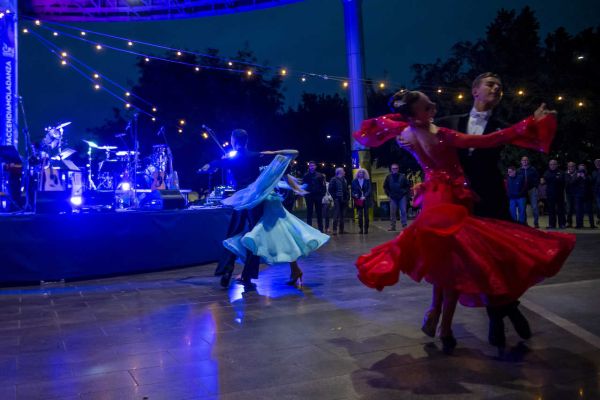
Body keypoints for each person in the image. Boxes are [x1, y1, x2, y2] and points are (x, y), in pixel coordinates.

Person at [353, 90, 575, 353]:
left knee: (445, 262)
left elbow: (389, 128)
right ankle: (444, 325)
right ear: (417, 114)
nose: (435, 108)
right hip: (451, 199)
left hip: (433, 197)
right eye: (428, 107)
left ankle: (438, 316)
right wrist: (529, 123)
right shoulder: (441, 134)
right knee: (455, 264)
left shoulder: (405, 133)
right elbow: (490, 140)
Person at [435, 72, 529, 349]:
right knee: (477, 263)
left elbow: (528, 134)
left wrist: (536, 122)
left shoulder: (501, 127)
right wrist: (405, 139)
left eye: (500, 86)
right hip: (461, 203)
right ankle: (503, 312)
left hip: (493, 200)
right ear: (475, 91)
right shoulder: (451, 122)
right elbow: (421, 129)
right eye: (491, 84)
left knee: (499, 260)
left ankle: (501, 313)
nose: (497, 88)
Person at [222, 151, 330, 289]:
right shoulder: (260, 161)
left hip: (268, 202)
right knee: (282, 235)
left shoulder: (276, 161)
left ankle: (248, 273)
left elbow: (294, 152)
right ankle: (294, 270)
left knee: (265, 236)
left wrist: (274, 152)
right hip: (264, 201)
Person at [200, 129, 271, 289]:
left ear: (233, 141)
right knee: (254, 234)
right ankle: (248, 275)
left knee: (233, 232)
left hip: (240, 197)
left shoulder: (232, 158)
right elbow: (270, 158)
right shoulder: (254, 155)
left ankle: (226, 270)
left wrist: (209, 165)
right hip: (254, 198)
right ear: (246, 140)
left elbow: (216, 164)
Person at [383, 164, 410, 230]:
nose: (394, 169)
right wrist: (389, 194)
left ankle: (404, 225)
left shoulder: (402, 176)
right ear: (391, 169)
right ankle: (393, 226)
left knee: (403, 211)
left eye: (396, 168)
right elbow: (385, 186)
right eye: (393, 168)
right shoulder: (388, 177)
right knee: (392, 212)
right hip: (393, 197)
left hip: (402, 196)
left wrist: (404, 192)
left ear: (398, 169)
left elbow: (407, 186)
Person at [303, 161, 326, 232]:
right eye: (310, 166)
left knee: (319, 212)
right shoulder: (306, 175)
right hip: (309, 196)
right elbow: (304, 185)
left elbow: (323, 186)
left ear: (315, 166)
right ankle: (309, 230)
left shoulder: (320, 175)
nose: (312, 167)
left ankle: (321, 229)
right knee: (309, 212)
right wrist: (305, 194)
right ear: (309, 167)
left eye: (313, 165)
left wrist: (322, 195)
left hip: (318, 196)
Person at [543, 159, 566, 229]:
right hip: (550, 194)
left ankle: (562, 224)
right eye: (551, 164)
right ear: (549, 165)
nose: (552, 166)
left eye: (554, 164)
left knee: (561, 210)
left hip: (559, 194)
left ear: (557, 165)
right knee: (551, 210)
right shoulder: (546, 172)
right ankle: (551, 224)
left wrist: (553, 178)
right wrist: (556, 178)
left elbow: (562, 181)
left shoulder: (561, 172)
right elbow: (546, 179)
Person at [518, 156, 540, 228]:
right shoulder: (519, 170)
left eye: (526, 160)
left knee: (534, 207)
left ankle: (536, 223)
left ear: (528, 161)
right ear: (521, 162)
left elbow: (537, 178)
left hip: (532, 189)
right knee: (523, 207)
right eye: (523, 160)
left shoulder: (533, 169)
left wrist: (535, 186)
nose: (525, 161)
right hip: (523, 191)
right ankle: (524, 223)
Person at [329, 167, 350, 235]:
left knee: (342, 215)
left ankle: (341, 230)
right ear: (340, 172)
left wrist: (347, 198)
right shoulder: (333, 179)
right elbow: (330, 189)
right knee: (336, 214)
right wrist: (335, 197)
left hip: (344, 200)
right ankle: (334, 230)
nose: (344, 172)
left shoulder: (344, 180)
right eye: (343, 171)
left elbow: (346, 190)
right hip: (337, 199)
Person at [351, 168, 372, 234]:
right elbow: (352, 191)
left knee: (366, 215)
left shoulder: (367, 181)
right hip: (358, 200)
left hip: (366, 200)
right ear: (357, 174)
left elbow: (369, 190)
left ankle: (366, 229)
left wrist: (365, 196)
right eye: (360, 172)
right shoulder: (354, 181)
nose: (361, 173)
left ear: (364, 174)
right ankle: (361, 228)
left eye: (362, 172)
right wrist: (355, 195)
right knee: (360, 215)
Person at [565, 161, 578, 228]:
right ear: (567, 167)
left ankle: (579, 224)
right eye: (569, 166)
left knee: (577, 208)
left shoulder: (578, 173)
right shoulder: (565, 174)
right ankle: (569, 223)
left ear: (575, 167)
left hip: (577, 193)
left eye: (572, 166)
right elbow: (567, 183)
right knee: (569, 209)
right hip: (568, 193)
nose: (571, 167)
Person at [593, 159, 600, 226]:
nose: (597, 164)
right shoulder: (594, 172)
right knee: (598, 206)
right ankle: (598, 218)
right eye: (596, 163)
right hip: (597, 192)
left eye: (599, 162)